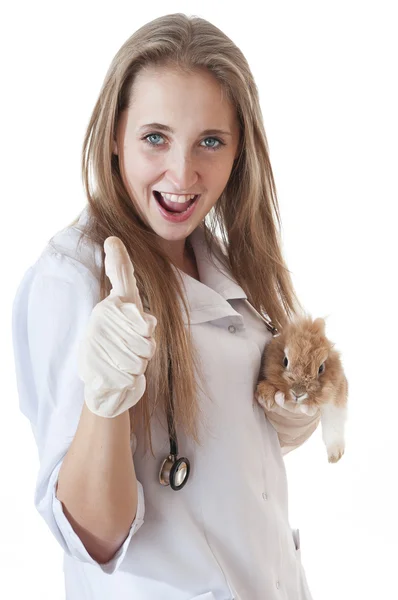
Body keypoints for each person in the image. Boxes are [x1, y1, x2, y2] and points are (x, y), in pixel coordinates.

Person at [11, 12, 321, 600]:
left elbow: (209, 456)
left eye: (211, 141)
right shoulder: (73, 280)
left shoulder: (221, 261)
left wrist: (282, 415)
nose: (183, 173)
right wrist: (106, 401)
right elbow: (94, 537)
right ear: (114, 136)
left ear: (239, 153)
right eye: (155, 137)